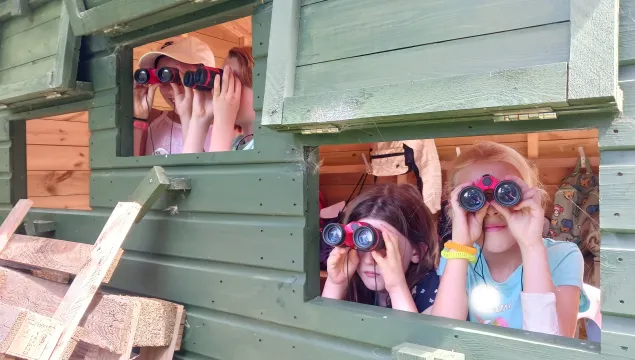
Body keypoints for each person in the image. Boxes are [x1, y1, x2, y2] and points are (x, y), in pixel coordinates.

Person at [429, 141, 584, 337]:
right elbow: (442, 337)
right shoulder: (456, 257)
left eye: (507, 194)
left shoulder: (562, 256)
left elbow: (551, 349)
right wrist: (460, 247)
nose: (492, 210)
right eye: (474, 199)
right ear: (455, 209)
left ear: (530, 198)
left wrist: (531, 245)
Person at [321, 183, 440, 313]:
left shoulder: (434, 292)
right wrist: (336, 284)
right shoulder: (354, 282)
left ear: (417, 251)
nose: (369, 260)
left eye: (385, 247)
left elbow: (412, 334)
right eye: (361, 244)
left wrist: (396, 288)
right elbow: (320, 329)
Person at [133, 36, 217, 156]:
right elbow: (134, 171)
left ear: (207, 77)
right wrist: (139, 120)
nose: (173, 90)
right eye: (163, 79)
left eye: (181, 78)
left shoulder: (227, 130)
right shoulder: (153, 121)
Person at [181, 46, 256, 153]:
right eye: (224, 79)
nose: (225, 88)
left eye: (233, 81)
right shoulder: (236, 144)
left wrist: (223, 122)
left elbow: (216, 170)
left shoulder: (270, 146)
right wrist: (200, 119)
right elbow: (189, 169)